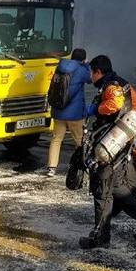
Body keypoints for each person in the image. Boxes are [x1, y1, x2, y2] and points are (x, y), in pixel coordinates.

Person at [79, 54, 136, 249]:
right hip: (123, 142)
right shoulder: (124, 83)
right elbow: (134, 104)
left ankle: (101, 237)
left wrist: (95, 109)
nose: (91, 78)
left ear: (98, 72)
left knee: (101, 189)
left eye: (91, 73)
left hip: (110, 144)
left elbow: (114, 104)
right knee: (116, 185)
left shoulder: (110, 86)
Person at [45, 48, 91, 177]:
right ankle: (83, 166)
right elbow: (90, 79)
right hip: (75, 114)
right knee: (79, 141)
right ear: (83, 59)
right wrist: (86, 65)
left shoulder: (60, 67)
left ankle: (51, 168)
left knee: (56, 139)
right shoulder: (82, 70)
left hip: (58, 111)